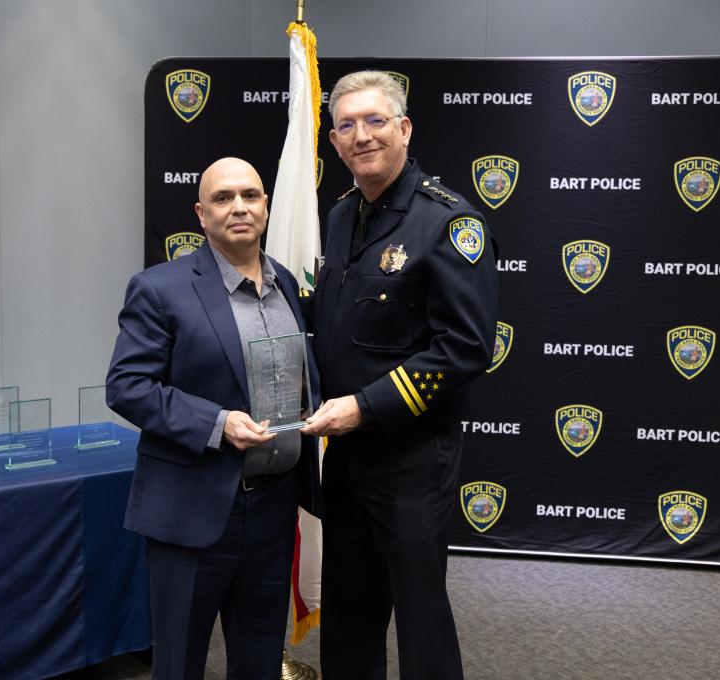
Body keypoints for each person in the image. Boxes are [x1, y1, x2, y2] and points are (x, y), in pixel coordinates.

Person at [301, 70, 498, 679]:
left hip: (411, 458)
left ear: (405, 129)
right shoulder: (339, 218)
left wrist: (363, 406)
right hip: (347, 457)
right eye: (346, 125)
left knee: (419, 616)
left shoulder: (447, 223)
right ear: (334, 142)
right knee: (349, 612)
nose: (361, 136)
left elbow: (466, 347)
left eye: (375, 121)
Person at [106, 157, 322, 680]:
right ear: (201, 214)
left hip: (274, 509)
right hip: (193, 511)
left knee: (258, 660)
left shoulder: (288, 284)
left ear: (266, 205)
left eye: (250, 195)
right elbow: (127, 386)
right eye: (223, 198)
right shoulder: (160, 288)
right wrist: (217, 422)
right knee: (178, 664)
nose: (239, 207)